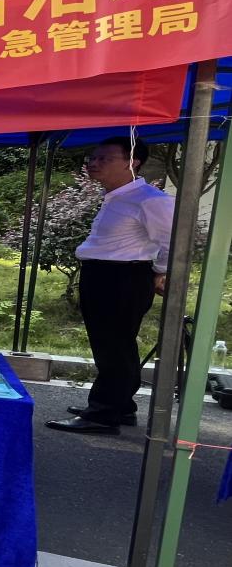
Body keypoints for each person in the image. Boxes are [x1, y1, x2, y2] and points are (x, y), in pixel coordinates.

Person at [47, 137, 173, 435]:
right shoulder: (116, 196)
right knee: (116, 344)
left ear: (133, 162)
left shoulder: (149, 199)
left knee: (113, 347)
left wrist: (161, 272)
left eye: (104, 158)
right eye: (92, 157)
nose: (94, 163)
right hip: (105, 275)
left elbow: (174, 240)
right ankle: (120, 406)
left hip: (122, 277)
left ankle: (103, 414)